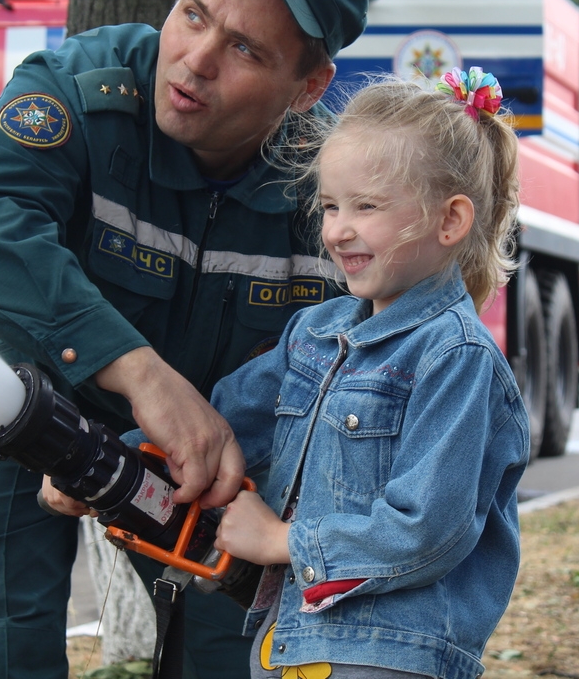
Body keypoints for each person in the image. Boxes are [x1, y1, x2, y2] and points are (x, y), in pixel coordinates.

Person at [0, 0, 368, 679]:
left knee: (239, 653)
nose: (194, 60)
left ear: (308, 86)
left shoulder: (327, 190)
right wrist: (141, 373)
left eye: (245, 50)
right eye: (192, 14)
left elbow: (361, 367)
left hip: (202, 452)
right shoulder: (78, 90)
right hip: (10, 399)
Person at [200, 70, 528, 678]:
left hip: (387, 657)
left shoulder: (456, 359)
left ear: (450, 221)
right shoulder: (313, 335)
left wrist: (283, 543)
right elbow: (216, 433)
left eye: (366, 206)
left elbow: (428, 528)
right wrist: (117, 463)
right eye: (329, 205)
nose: (336, 229)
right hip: (294, 640)